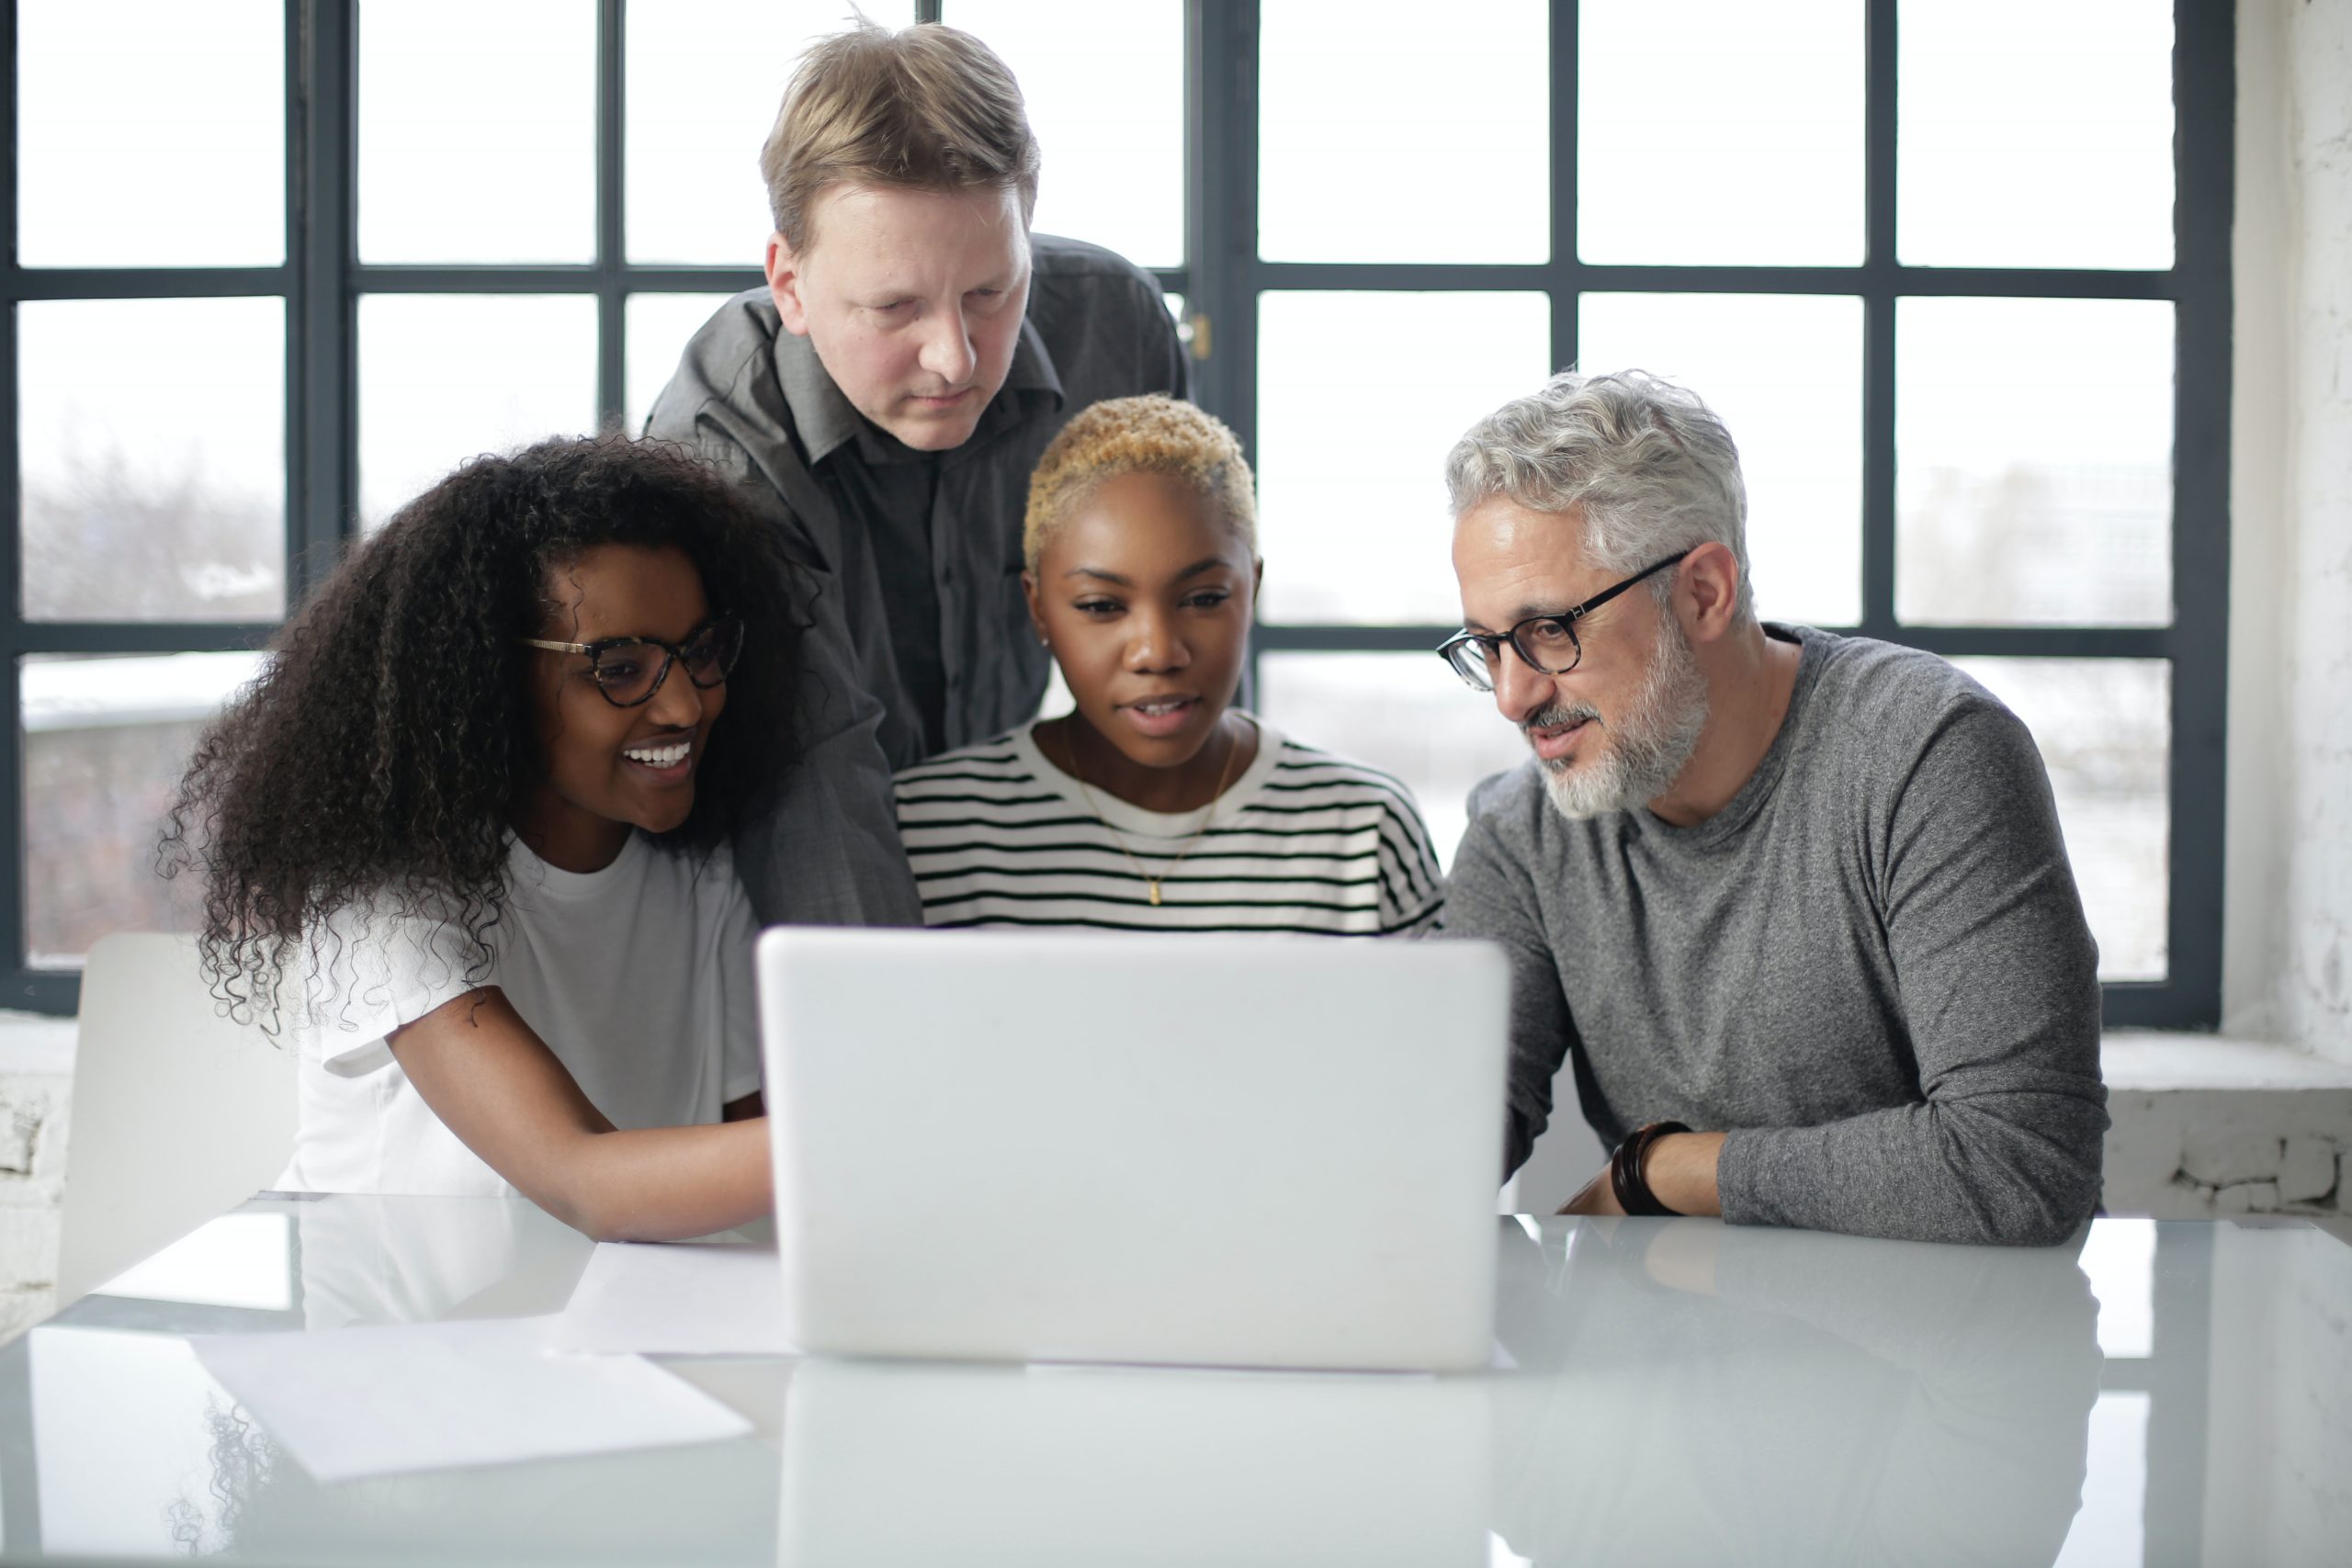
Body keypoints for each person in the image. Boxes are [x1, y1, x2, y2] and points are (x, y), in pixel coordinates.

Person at [1436, 369, 2109, 1246]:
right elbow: (1441, 1145)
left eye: (1548, 631)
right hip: (1680, 1351)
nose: (1512, 697)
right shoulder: (1520, 832)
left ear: (1704, 593)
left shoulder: (1926, 754)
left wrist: (1664, 1169)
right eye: (1487, 647)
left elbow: (2022, 1165)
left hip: (1952, 1354)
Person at [164, 436, 796, 1242]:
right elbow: (581, 1178)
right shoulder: (389, 901)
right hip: (393, 1350)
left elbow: (767, 1169)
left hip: (606, 1335)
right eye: (622, 667)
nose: (685, 706)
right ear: (491, 677)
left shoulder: (702, 873)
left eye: (699, 653)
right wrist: (888, 1138)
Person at [645, 19, 1188, 930]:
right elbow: (815, 774)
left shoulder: (1115, 327)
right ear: (789, 284)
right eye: (894, 306)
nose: (955, 359)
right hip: (768, 894)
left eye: (991, 292)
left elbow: (1175, 630)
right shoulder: (719, 451)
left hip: (1015, 852)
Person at [895, 395, 1443, 934]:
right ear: (1039, 609)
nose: (1157, 653)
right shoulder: (927, 829)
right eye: (1101, 607)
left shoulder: (1364, 832)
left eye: (1203, 599)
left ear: (1252, 591)